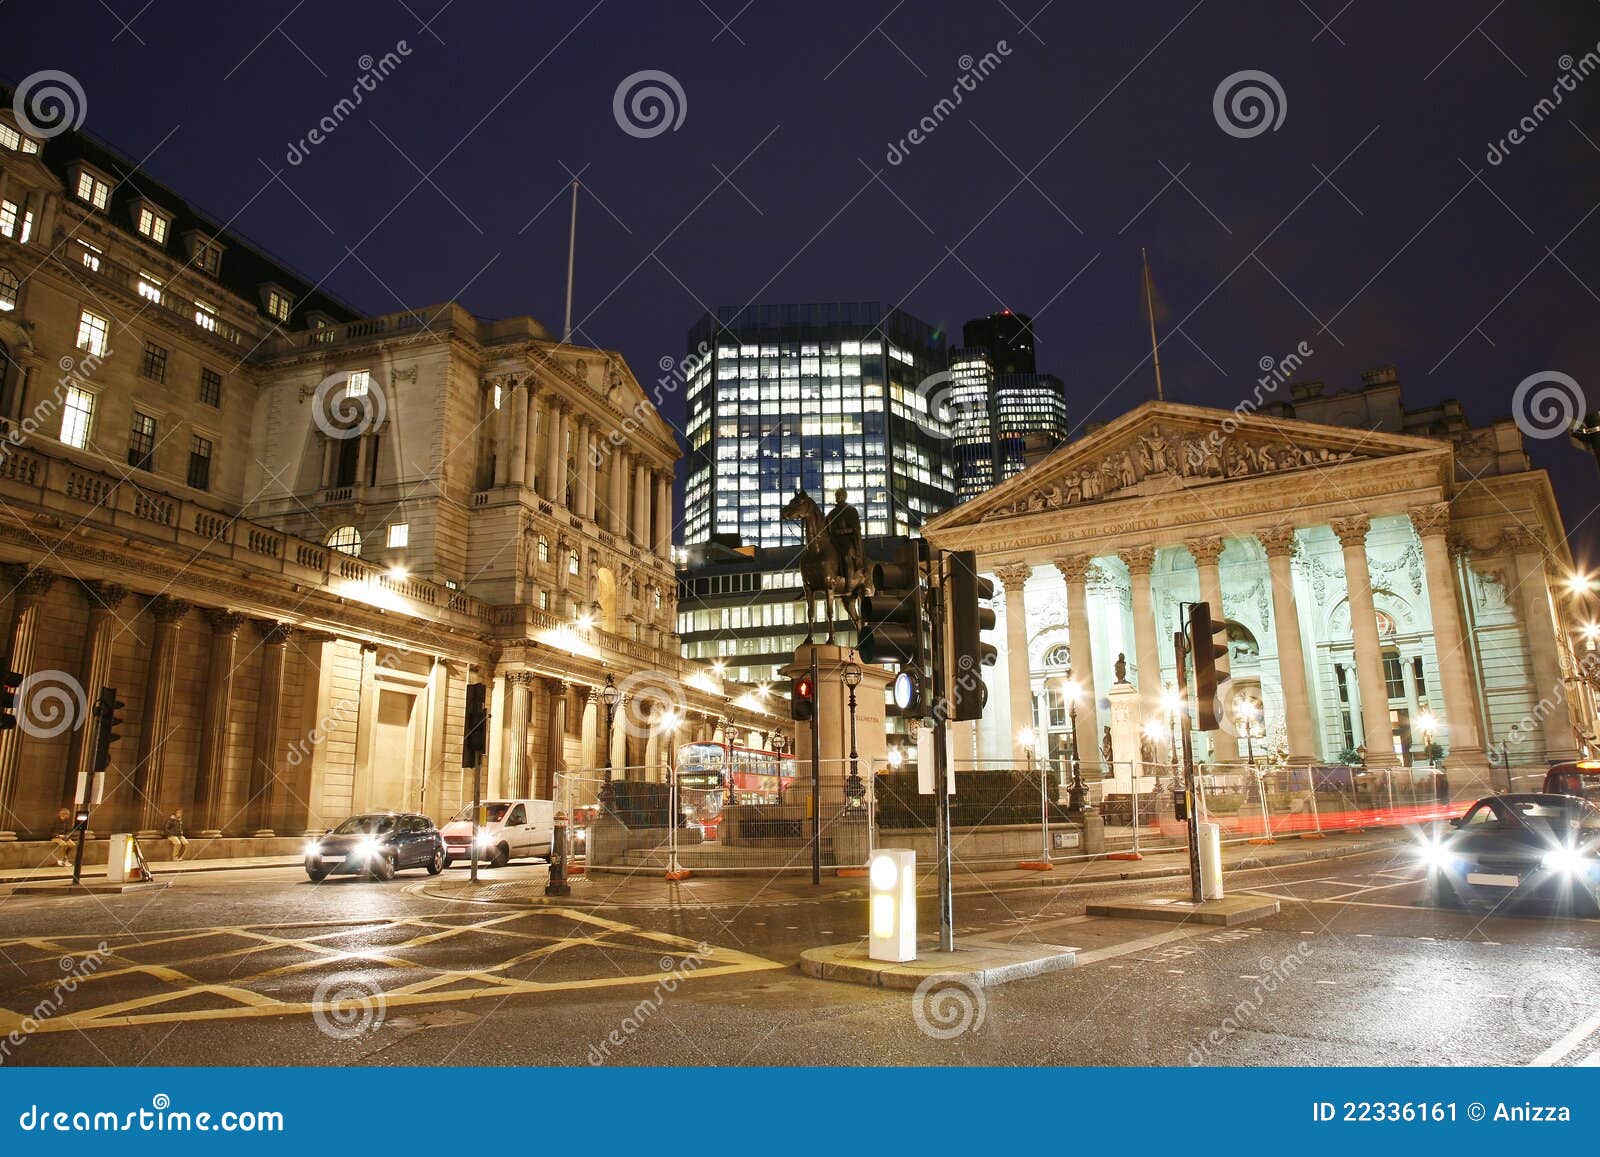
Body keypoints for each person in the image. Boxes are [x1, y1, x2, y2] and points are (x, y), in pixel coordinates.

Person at [824, 487, 863, 589]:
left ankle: (848, 585)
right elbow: (825, 526)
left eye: (839, 495)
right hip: (834, 541)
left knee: (847, 557)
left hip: (847, 541)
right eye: (836, 495)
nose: (837, 497)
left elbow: (856, 529)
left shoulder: (851, 511)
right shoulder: (832, 513)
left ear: (844, 496)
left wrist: (843, 531)